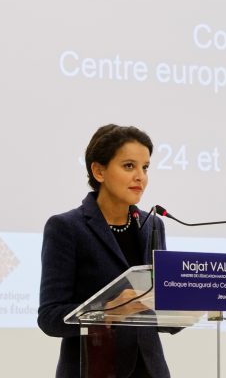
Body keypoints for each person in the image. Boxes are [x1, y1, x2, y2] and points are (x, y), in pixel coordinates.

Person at [38, 124, 175, 378]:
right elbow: (49, 317)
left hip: (151, 370)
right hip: (93, 368)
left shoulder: (153, 226)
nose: (140, 177)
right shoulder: (66, 227)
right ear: (99, 171)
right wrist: (109, 311)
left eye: (145, 168)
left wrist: (184, 300)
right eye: (129, 166)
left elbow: (164, 315)